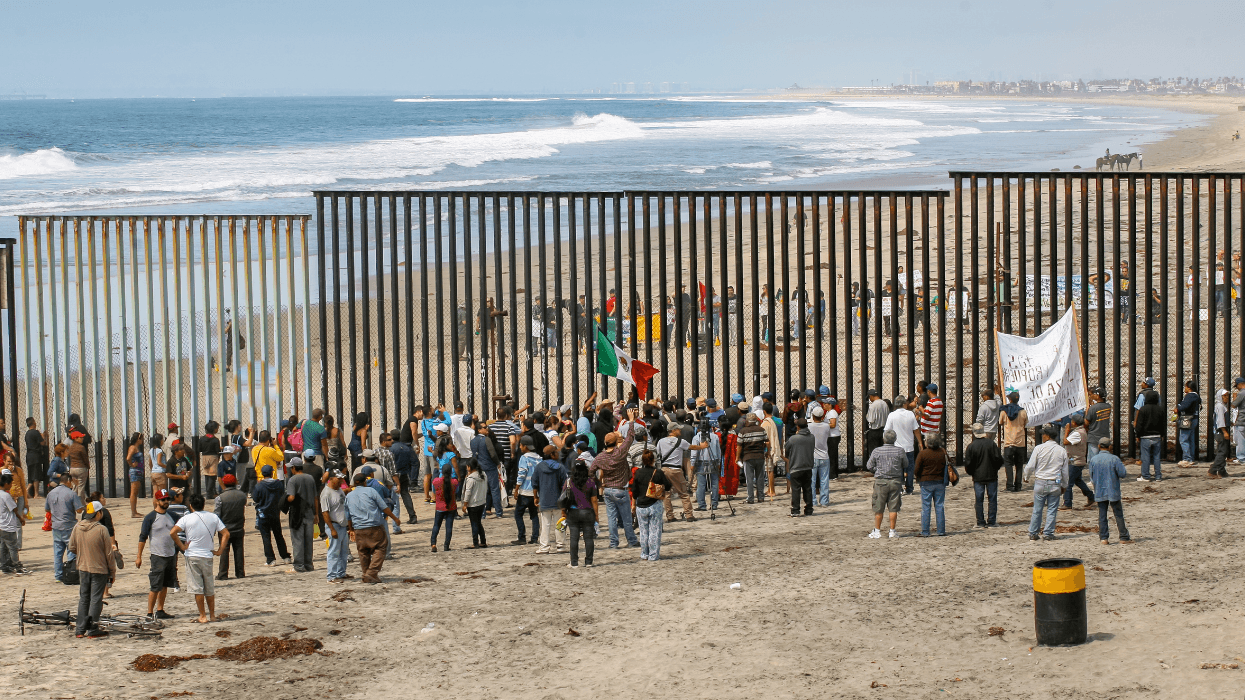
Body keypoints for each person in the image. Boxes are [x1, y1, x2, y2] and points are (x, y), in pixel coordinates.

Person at [168, 493, 228, 624]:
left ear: (191, 506)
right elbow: (226, 534)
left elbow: (173, 532)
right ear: (203, 504)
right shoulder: (213, 517)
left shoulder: (187, 518)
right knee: (209, 587)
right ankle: (212, 615)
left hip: (192, 555)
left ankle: (202, 615)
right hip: (207, 555)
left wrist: (182, 546)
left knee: (197, 587)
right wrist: (220, 551)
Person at [68, 501, 116, 638]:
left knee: (84, 598)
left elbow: (71, 547)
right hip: (99, 569)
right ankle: (93, 628)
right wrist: (112, 572)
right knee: (96, 599)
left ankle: (80, 630)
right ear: (98, 513)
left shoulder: (77, 527)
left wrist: (84, 551)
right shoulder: (101, 530)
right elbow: (109, 554)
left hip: (82, 567)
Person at [594, 411, 639, 548]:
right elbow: (630, 438)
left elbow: (591, 471)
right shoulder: (620, 453)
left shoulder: (600, 457)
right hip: (621, 488)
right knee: (626, 518)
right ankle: (631, 540)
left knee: (611, 518)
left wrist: (598, 483)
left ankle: (613, 542)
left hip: (607, 488)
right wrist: (631, 421)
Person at [345, 472, 399, 583]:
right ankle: (371, 573)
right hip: (374, 526)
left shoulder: (349, 496)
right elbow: (384, 508)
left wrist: (351, 529)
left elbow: (348, 516)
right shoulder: (371, 491)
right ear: (365, 482)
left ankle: (366, 574)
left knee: (363, 552)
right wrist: (395, 518)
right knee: (380, 547)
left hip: (359, 528)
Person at [135, 489, 179, 619]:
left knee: (165, 584)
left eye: (167, 499)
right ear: (157, 501)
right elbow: (143, 537)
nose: (166, 502)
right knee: (155, 585)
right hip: (157, 556)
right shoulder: (150, 517)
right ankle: (149, 613)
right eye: (163, 499)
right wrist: (139, 556)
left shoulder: (173, 516)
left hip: (171, 555)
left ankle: (160, 610)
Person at [1024, 426, 1069, 541]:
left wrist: (1026, 476)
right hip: (1055, 482)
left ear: (1047, 436)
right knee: (1052, 509)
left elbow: (1030, 466)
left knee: (1037, 509)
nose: (1042, 436)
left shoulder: (1039, 448)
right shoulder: (1062, 450)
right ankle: (1048, 533)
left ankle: (1033, 532)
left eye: (1043, 434)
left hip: (1041, 481)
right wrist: (1064, 485)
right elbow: (1065, 471)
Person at [655, 421, 704, 523]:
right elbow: (692, 447)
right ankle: (689, 514)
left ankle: (670, 516)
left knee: (667, 494)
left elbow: (658, 453)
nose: (680, 430)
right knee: (683, 493)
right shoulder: (681, 441)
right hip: (676, 469)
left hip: (664, 469)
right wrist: (702, 446)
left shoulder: (661, 441)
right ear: (673, 430)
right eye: (678, 429)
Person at [1088, 438, 1133, 545]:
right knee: (1118, 514)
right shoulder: (1114, 459)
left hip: (1100, 490)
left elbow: (1092, 476)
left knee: (1102, 515)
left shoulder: (1094, 459)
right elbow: (1123, 474)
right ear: (1110, 447)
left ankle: (1104, 538)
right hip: (1113, 490)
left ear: (1099, 446)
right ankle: (1123, 537)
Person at [866, 430, 906, 539]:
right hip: (895, 481)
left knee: (879, 507)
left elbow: (869, 465)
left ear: (884, 439)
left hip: (881, 481)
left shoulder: (877, 451)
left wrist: (877, 470)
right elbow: (905, 463)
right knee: (894, 507)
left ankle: (877, 530)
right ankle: (892, 531)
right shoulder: (900, 451)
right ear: (895, 439)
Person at [631, 451, 670, 561]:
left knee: (643, 531)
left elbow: (634, 491)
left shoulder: (638, 473)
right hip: (654, 504)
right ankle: (653, 555)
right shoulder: (658, 472)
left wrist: (634, 505)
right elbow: (667, 486)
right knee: (655, 531)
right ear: (653, 460)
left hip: (641, 505)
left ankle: (644, 554)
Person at [963, 422, 1003, 528]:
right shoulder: (991, 444)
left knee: (979, 499)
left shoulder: (971, 446)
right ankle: (992, 521)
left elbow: (968, 463)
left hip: (978, 476)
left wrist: (972, 473)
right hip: (991, 475)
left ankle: (980, 521)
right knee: (992, 499)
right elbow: (999, 459)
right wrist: (995, 469)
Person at [46, 472, 84, 581]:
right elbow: (79, 509)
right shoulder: (71, 494)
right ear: (68, 481)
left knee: (58, 552)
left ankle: (58, 575)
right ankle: (71, 573)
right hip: (69, 526)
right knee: (71, 550)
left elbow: (47, 509)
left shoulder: (51, 493)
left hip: (56, 526)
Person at [562, 459, 599, 568]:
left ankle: (574, 562)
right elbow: (594, 500)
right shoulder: (591, 482)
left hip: (573, 512)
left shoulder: (569, 481)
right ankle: (588, 562)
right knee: (588, 538)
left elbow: (563, 498)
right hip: (587, 512)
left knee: (574, 538)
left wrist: (563, 512)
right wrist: (596, 515)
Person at [252, 465, 291, 566]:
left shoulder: (259, 486)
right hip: (275, 513)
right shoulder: (278, 484)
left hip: (263, 514)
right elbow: (282, 494)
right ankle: (285, 556)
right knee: (279, 535)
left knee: (266, 537)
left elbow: (255, 498)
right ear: (272, 473)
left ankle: (270, 559)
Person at [285, 458, 320, 572]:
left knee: (297, 539)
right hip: (309, 512)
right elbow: (315, 498)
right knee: (308, 539)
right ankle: (308, 564)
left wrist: (283, 500)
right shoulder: (310, 478)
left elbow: (291, 497)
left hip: (297, 513)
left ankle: (299, 565)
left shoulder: (292, 480)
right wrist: (316, 513)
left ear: (294, 468)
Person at [533, 445, 568, 554]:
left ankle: (544, 547)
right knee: (560, 524)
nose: (558, 454)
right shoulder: (560, 467)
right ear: (552, 455)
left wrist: (535, 497)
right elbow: (565, 485)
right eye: (556, 452)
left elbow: (534, 484)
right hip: (558, 502)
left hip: (544, 500)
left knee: (545, 525)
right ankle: (561, 546)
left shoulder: (539, 467)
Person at [884, 395, 922, 495]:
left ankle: (899, 487)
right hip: (909, 446)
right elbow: (916, 429)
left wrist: (886, 444)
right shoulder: (910, 414)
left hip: (896, 446)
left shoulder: (891, 415)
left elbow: (887, 431)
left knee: (897, 468)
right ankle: (909, 488)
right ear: (904, 404)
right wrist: (920, 442)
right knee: (909, 468)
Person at [212, 474, 246, 580]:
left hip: (225, 528)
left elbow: (216, 515)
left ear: (223, 483)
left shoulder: (220, 498)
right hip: (239, 526)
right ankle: (240, 573)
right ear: (235, 482)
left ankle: (223, 574)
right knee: (239, 550)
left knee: (224, 551)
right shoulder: (242, 495)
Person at [914, 434, 949, 537]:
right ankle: (941, 530)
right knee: (939, 506)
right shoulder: (942, 452)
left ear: (927, 442)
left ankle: (925, 531)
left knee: (926, 507)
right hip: (940, 481)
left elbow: (916, 470)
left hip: (926, 482)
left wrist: (919, 477)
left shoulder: (923, 454)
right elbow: (949, 463)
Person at [319, 469, 349, 583]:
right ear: (331, 479)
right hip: (334, 526)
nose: (341, 480)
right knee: (334, 552)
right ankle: (331, 576)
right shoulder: (326, 494)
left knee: (343, 551)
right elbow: (325, 513)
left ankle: (341, 573)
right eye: (339, 478)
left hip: (342, 525)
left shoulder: (339, 490)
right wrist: (331, 529)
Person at [1061, 413, 1095, 510]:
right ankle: (1091, 497)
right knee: (1078, 481)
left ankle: (1067, 503)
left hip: (1075, 461)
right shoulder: (1081, 431)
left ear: (1074, 423)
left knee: (1068, 483)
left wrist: (1066, 431)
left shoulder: (1077, 433)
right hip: (1077, 460)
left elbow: (1065, 442)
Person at [512, 436, 540, 545]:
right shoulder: (538, 458)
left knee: (518, 514)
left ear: (525, 446)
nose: (520, 447)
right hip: (535, 492)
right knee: (534, 515)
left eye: (521, 445)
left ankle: (521, 536)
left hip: (524, 491)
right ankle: (535, 537)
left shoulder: (524, 458)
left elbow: (522, 474)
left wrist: (516, 489)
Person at [784, 418, 815, 517]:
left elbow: (786, 448)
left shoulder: (794, 438)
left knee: (796, 489)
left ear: (798, 426)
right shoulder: (812, 437)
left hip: (796, 467)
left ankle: (796, 510)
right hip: (808, 466)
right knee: (807, 488)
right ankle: (809, 509)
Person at [387, 430, 418, 525]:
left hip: (393, 475)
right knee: (405, 494)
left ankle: (389, 517)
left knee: (390, 496)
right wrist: (413, 478)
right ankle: (412, 516)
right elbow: (415, 462)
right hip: (404, 474)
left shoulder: (390, 449)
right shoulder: (407, 448)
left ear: (391, 437)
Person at [692, 420, 723, 512]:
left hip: (701, 461)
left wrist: (692, 463)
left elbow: (694, 452)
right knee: (714, 483)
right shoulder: (715, 436)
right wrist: (718, 463)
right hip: (713, 460)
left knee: (701, 484)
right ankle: (714, 504)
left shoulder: (696, 437)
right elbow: (718, 451)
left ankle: (702, 505)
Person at [1134, 390, 1164, 482]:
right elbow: (1163, 424)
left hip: (1145, 436)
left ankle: (1146, 476)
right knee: (1156, 456)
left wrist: (1137, 435)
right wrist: (1162, 434)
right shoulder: (1160, 409)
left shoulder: (1143, 409)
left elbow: (1139, 424)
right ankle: (1158, 475)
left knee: (1145, 456)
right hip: (1157, 436)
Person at [0, 473, 28, 574]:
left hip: (1, 526)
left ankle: (4, 567)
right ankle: (17, 566)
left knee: (3, 547)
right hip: (8, 526)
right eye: (11, 483)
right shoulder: (6, 496)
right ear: (6, 483)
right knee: (13, 548)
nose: (11, 485)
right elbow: (14, 509)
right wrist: (21, 518)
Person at [1000, 392, 1028, 492]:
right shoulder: (1023, 411)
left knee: (1008, 464)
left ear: (1010, 400)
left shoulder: (1005, 412)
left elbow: (1000, 422)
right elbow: (1025, 423)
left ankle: (1009, 485)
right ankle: (1018, 485)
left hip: (1009, 441)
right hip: (1020, 442)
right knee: (1019, 465)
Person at [429, 461, 459, 552]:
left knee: (436, 526)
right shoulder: (454, 482)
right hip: (451, 507)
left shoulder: (436, 481)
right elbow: (456, 492)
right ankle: (446, 545)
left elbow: (434, 489)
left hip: (439, 507)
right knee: (449, 527)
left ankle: (433, 544)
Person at [461, 460, 488, 548]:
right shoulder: (483, 475)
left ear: (469, 467)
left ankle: (475, 542)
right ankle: (483, 541)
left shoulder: (471, 479)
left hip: (473, 504)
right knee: (478, 522)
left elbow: (468, 492)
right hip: (482, 502)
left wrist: (465, 504)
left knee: (474, 523)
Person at [1175, 380, 1201, 466]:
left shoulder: (1190, 396)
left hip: (1187, 419)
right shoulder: (1197, 396)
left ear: (1189, 388)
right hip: (1194, 418)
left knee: (1183, 439)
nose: (1184, 389)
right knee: (1191, 439)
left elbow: (1184, 406)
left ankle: (1187, 458)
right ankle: (1191, 457)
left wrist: (1178, 409)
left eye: (1185, 387)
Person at [1084, 387, 1111, 463]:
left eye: (1092, 394)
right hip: (1105, 435)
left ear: (1097, 396)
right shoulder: (1108, 406)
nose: (1090, 396)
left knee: (1092, 459)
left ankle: (1093, 474)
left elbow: (1086, 422)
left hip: (1094, 437)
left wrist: (1087, 411)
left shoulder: (1092, 408)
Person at [1209, 388, 1231, 479]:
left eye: (1227, 396)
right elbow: (1220, 421)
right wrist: (1225, 432)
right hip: (1221, 431)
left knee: (1222, 450)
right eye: (1224, 396)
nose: (1227, 398)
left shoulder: (1221, 406)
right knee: (1222, 451)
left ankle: (1222, 471)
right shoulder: (1220, 406)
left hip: (1220, 431)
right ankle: (1213, 470)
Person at [23, 418, 47, 499]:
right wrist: (43, 437)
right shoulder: (35, 432)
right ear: (33, 423)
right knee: (36, 475)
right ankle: (36, 494)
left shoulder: (27, 434)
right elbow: (42, 443)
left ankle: (27, 491)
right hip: (35, 456)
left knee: (31, 475)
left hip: (29, 456)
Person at [864, 388, 888, 463]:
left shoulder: (873, 406)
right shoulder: (884, 403)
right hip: (883, 430)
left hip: (874, 430)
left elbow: (871, 420)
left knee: (874, 451)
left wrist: (867, 416)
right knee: (882, 450)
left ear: (871, 396)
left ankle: (875, 468)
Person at [124, 433, 144, 518]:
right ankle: (133, 512)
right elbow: (128, 458)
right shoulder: (133, 447)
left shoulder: (136, 448)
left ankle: (135, 511)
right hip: (135, 471)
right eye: (141, 439)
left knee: (135, 492)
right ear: (138, 439)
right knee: (133, 492)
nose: (142, 441)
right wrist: (132, 464)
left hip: (138, 471)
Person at [67, 429, 90, 501]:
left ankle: (72, 502)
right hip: (81, 468)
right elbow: (85, 459)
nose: (82, 439)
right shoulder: (81, 447)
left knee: (74, 487)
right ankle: (81, 504)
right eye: (80, 437)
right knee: (81, 487)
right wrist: (88, 466)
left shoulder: (70, 447)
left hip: (72, 469)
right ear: (76, 438)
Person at [1233, 377, 1245, 465]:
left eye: (1236, 386)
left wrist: (1234, 397)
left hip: (1242, 419)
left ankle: (1241, 457)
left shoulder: (1242, 393)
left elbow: (1234, 405)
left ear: (1240, 384)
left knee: (1240, 440)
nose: (1237, 388)